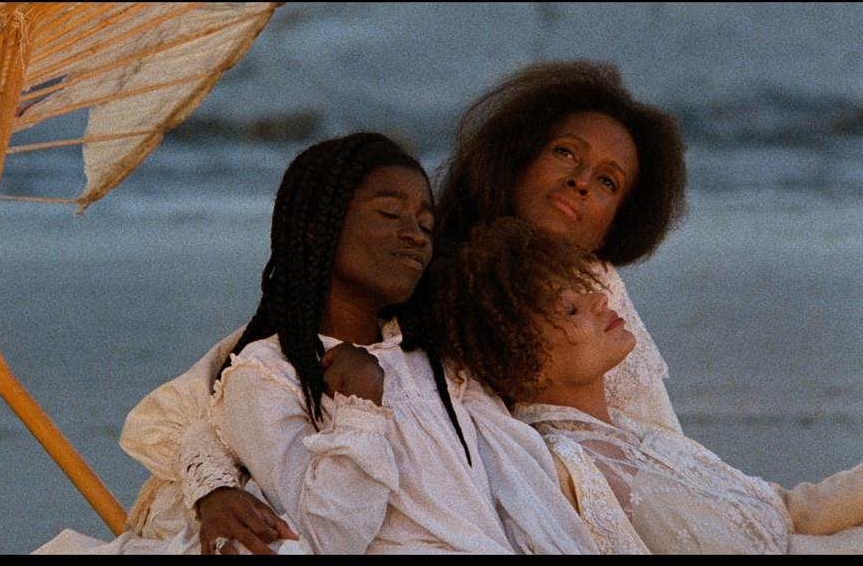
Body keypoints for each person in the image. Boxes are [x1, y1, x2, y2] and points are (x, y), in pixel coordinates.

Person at [119, 59, 688, 552]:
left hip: (559, 506)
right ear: (517, 156)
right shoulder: (418, 284)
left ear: (619, 220)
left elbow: (655, 441)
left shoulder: (598, 287)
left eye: (609, 183)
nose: (582, 182)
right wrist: (213, 489)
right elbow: (208, 399)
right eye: (565, 153)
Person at [205, 132, 589, 554]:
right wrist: (359, 408)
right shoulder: (268, 373)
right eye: (390, 214)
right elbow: (329, 537)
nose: (416, 235)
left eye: (426, 225)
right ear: (316, 227)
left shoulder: (435, 362)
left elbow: (518, 493)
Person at [431, 217, 863, 555]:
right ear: (523, 361)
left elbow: (783, 511)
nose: (600, 299)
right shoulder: (563, 468)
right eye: (570, 310)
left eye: (582, 291)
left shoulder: (631, 428)